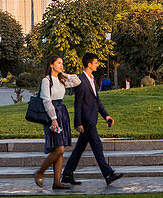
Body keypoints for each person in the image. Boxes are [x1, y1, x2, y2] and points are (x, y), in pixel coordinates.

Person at [61, 52, 122, 186]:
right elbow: (78, 103)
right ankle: (108, 174)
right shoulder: (80, 81)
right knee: (97, 146)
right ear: (89, 64)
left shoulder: (92, 79)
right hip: (86, 121)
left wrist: (106, 116)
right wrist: (78, 123)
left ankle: (67, 174)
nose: (97, 65)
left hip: (91, 119)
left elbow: (97, 101)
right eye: (95, 63)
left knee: (79, 149)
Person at [34, 55, 81, 190]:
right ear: (51, 65)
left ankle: (57, 182)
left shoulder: (61, 80)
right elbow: (46, 101)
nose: (61, 65)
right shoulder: (46, 80)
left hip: (62, 113)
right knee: (59, 148)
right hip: (52, 115)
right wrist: (53, 119)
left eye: (62, 63)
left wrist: (63, 73)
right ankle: (40, 172)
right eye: (59, 63)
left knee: (60, 149)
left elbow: (77, 81)